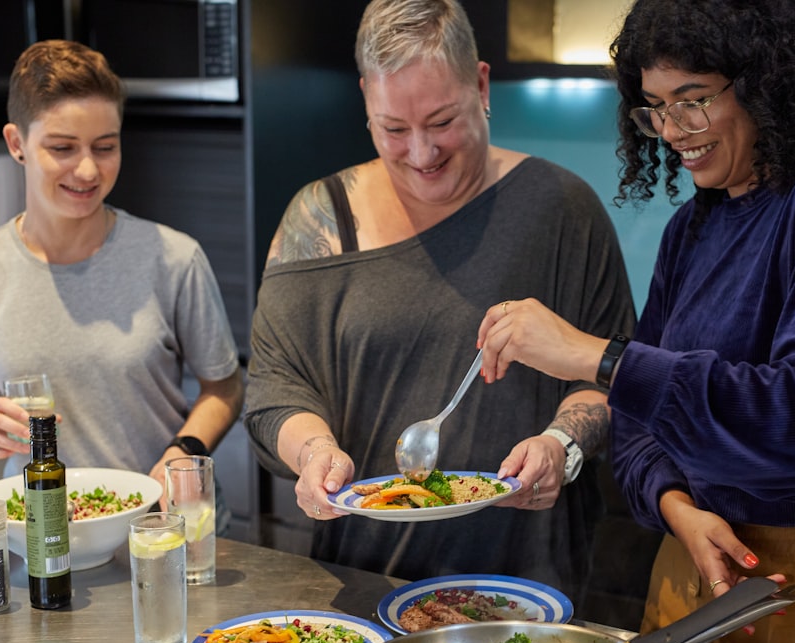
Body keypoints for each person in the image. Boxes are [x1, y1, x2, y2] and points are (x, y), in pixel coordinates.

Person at [476, 0, 795, 643]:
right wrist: (676, 506)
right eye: (654, 108)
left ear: (765, 83)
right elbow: (640, 423)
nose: (672, 132)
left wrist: (598, 359)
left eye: (692, 102)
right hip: (702, 563)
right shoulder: (693, 227)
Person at [243, 0, 635, 600]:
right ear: (366, 104)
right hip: (365, 582)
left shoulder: (562, 210)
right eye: (394, 129)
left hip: (527, 587)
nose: (422, 153)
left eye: (442, 121)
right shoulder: (319, 218)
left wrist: (562, 444)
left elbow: (613, 373)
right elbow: (274, 388)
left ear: (480, 85)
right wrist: (314, 450)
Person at [0, 40, 243, 531]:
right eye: (62, 148)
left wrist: (186, 451)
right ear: (16, 144)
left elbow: (223, 388)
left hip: (167, 528)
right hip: (42, 532)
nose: (89, 170)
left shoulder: (175, 257)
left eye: (105, 146)